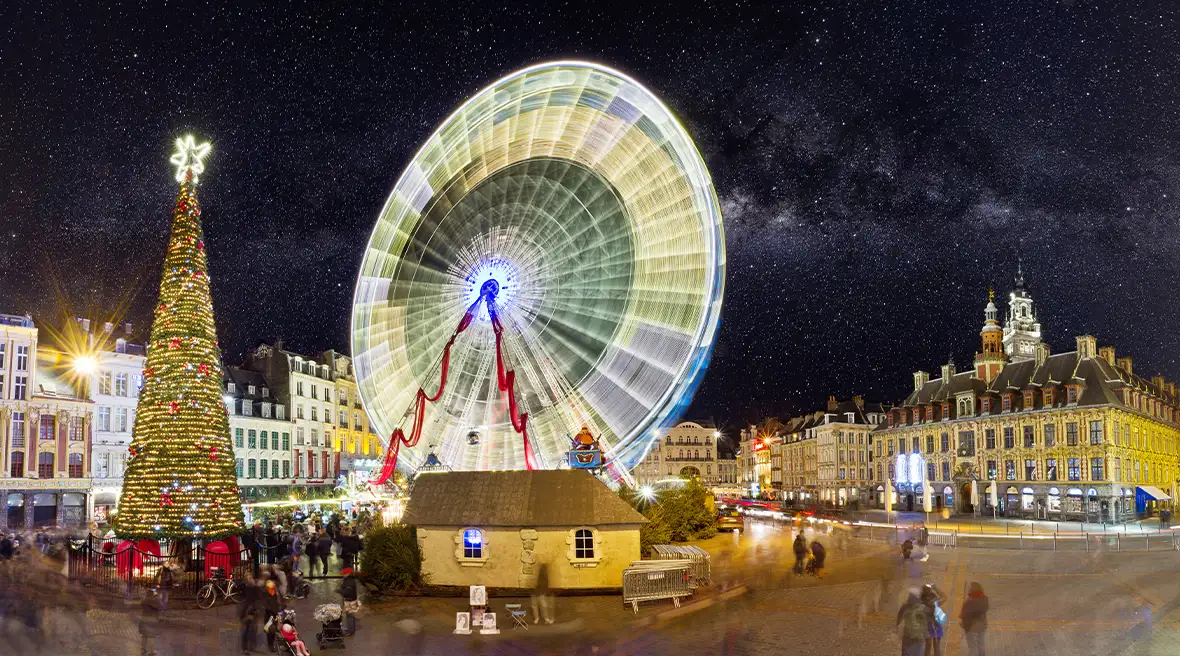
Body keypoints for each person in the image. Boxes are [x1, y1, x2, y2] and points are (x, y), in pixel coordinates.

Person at [896, 588, 930, 656]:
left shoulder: (905, 606)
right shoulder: (924, 608)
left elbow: (898, 620)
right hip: (915, 640)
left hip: (912, 640)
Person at [959, 582, 989, 656]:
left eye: (969, 588)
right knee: (981, 644)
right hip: (982, 625)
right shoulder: (985, 598)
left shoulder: (970, 601)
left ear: (972, 590)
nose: (968, 589)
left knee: (973, 647)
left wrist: (964, 624)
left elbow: (966, 615)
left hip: (972, 627)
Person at [921, 583, 947, 656]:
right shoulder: (935, 602)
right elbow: (944, 597)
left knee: (927, 647)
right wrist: (936, 588)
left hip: (926, 627)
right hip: (936, 626)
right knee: (936, 646)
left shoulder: (921, 603)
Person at [260, 579, 284, 651]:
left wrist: (282, 607)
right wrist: (270, 610)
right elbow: (264, 604)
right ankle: (270, 644)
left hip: (276, 613)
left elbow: (280, 600)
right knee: (270, 630)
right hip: (269, 614)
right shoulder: (264, 593)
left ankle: (273, 642)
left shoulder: (276, 592)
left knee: (275, 629)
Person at [238, 578, 261, 655]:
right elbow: (245, 603)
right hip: (247, 611)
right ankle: (245, 648)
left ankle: (250, 646)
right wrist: (246, 616)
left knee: (253, 629)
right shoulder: (247, 590)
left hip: (252, 610)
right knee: (247, 630)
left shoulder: (255, 589)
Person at [139, 588, 163, 656]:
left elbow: (141, 603)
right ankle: (151, 651)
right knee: (152, 636)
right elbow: (161, 606)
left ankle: (143, 649)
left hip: (144, 619)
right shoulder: (156, 601)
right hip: (153, 620)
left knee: (144, 635)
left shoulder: (144, 601)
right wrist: (158, 598)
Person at [338, 567, 361, 634]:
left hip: (350, 601)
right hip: (351, 600)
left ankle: (350, 631)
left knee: (350, 616)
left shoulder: (349, 581)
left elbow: (347, 592)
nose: (343, 575)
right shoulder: (349, 580)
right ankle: (351, 629)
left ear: (348, 573)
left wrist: (340, 591)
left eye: (344, 574)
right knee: (351, 615)